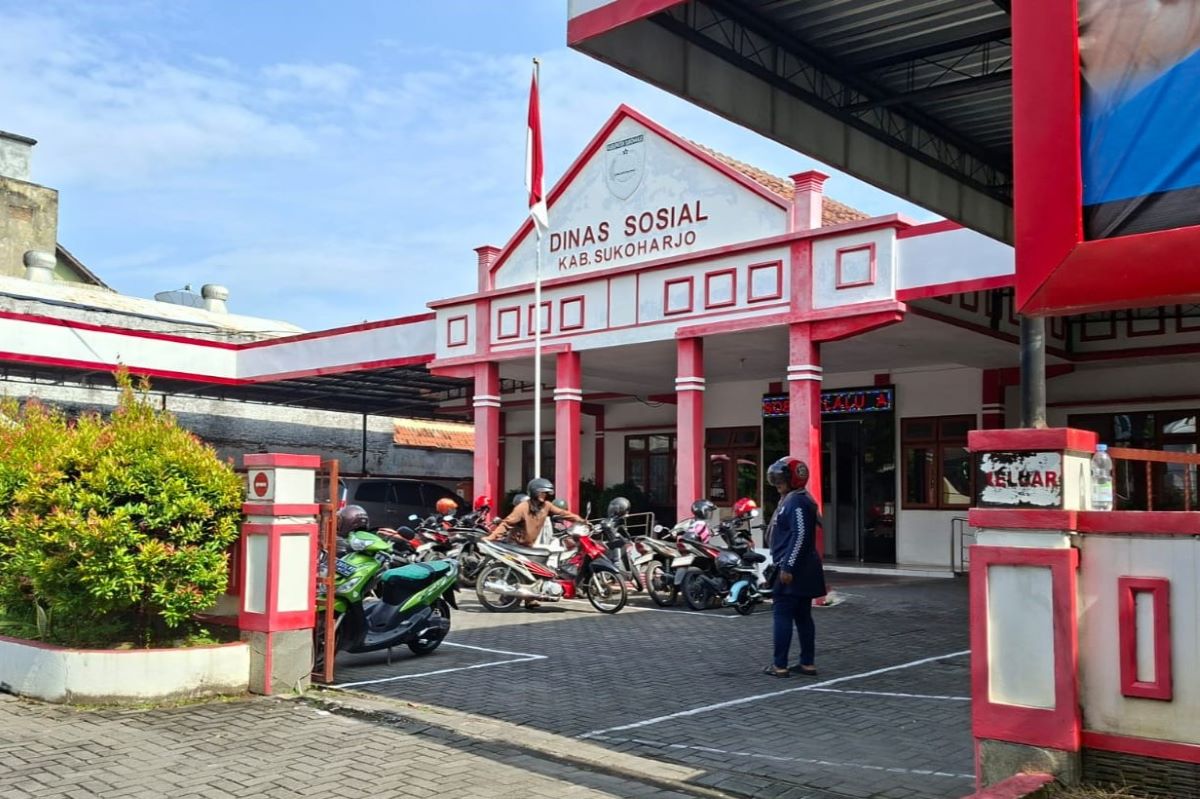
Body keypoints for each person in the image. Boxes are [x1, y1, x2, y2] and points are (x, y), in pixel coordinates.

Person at [762, 457, 826, 678]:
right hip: (803, 567)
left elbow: (800, 536)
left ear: (793, 479)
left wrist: (788, 566)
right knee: (803, 616)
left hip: (793, 568)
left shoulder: (796, 502)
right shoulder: (798, 499)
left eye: (781, 479)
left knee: (783, 615)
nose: (777, 484)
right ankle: (807, 663)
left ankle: (780, 665)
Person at [487, 478, 584, 607]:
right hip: (515, 544)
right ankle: (505, 599)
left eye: (546, 493)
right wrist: (492, 537)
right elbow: (507, 523)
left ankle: (530, 598)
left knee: (535, 570)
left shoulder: (546, 506)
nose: (544, 495)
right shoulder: (522, 507)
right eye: (542, 492)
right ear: (534, 492)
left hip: (529, 545)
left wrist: (580, 520)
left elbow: (563, 513)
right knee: (518, 571)